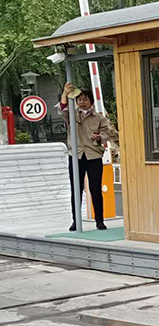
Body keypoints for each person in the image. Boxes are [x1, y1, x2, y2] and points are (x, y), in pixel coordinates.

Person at [60, 82, 110, 231]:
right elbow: (62, 109)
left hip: (93, 155)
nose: (82, 102)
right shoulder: (72, 115)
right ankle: (76, 221)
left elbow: (107, 134)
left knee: (96, 189)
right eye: (79, 99)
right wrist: (65, 94)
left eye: (85, 99)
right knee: (76, 189)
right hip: (76, 155)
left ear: (91, 101)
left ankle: (99, 220)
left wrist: (99, 137)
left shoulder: (99, 118)